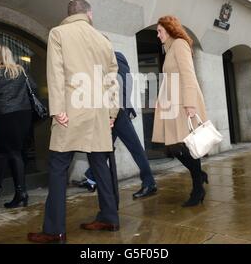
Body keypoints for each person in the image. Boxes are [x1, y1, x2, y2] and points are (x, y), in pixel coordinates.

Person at [27, 0, 120, 244]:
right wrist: (112, 113)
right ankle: (110, 216)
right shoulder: (103, 39)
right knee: (101, 166)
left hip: (71, 110)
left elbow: (55, 72)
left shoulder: (58, 33)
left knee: (58, 168)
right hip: (98, 112)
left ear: (69, 14)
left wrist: (57, 108)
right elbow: (112, 79)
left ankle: (54, 230)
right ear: (89, 14)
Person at [74, 51, 158, 198]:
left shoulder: (115, 57)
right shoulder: (102, 59)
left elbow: (124, 83)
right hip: (109, 112)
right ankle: (92, 178)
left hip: (118, 112)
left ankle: (149, 183)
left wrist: (121, 108)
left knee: (135, 148)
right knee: (104, 147)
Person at [152, 16, 209, 208]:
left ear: (169, 29)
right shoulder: (169, 49)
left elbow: (188, 74)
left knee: (188, 147)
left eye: (160, 31)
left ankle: (198, 189)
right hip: (172, 104)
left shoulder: (179, 44)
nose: (158, 34)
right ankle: (199, 175)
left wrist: (190, 103)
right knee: (175, 146)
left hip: (184, 103)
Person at [0, 45, 35, 208]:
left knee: (13, 152)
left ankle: (21, 193)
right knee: (2, 152)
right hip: (23, 114)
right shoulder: (20, 70)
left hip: (3, 115)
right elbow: (34, 89)